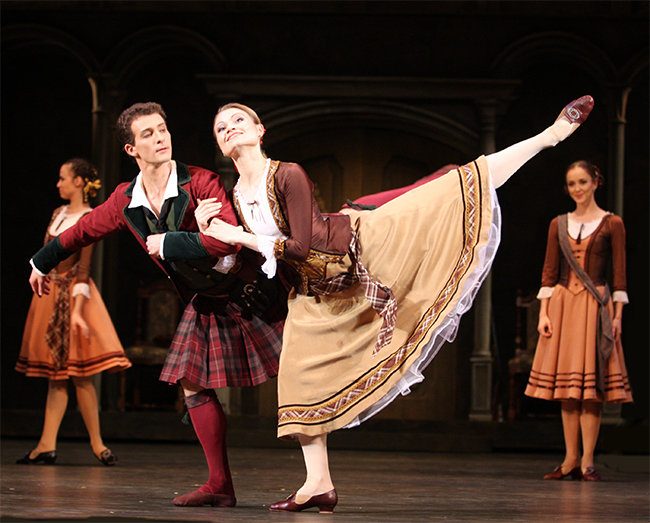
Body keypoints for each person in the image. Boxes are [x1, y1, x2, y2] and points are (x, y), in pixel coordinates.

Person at [198, 95, 596, 513]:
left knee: (451, 186)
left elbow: (298, 246)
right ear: (221, 147)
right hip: (314, 291)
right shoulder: (236, 195)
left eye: (238, 119)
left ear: (260, 131)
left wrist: (234, 235)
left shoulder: (287, 174)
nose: (229, 128)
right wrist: (214, 232)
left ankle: (549, 136)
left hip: (357, 250)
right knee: (296, 383)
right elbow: (245, 260)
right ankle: (318, 483)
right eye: (221, 127)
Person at [27, 102, 287, 507]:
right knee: (191, 381)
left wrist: (168, 242)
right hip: (207, 300)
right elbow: (82, 231)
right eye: (147, 134)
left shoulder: (199, 181)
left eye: (162, 129)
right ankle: (220, 485)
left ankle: (316, 478)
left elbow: (225, 240)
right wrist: (39, 262)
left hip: (253, 290)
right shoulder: (124, 200)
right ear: (131, 150)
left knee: (300, 367)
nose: (160, 138)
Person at [16, 158, 131, 467]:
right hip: (50, 296)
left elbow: (83, 268)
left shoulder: (91, 216)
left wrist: (78, 311)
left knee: (82, 375)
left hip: (77, 297)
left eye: (63, 178)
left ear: (79, 182)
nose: (58, 184)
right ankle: (46, 444)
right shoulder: (58, 214)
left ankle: (97, 444)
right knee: (56, 376)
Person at [524, 160, 633, 482]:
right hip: (562, 305)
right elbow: (549, 270)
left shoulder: (613, 223)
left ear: (596, 182)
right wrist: (544, 312)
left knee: (590, 389)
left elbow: (620, 274)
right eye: (572, 183)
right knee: (568, 390)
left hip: (594, 306)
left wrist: (617, 317)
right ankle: (570, 458)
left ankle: (587, 461)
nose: (577, 189)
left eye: (583, 182)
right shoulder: (558, 224)